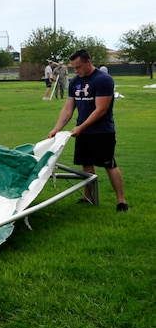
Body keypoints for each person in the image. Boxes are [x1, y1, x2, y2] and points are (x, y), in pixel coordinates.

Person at [47, 50, 129, 212]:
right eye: (74, 68)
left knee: (109, 164)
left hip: (102, 131)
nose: (76, 71)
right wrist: (57, 129)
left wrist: (81, 127)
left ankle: (121, 201)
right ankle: (88, 197)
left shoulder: (103, 80)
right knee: (86, 164)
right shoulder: (75, 82)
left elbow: (101, 109)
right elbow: (68, 108)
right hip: (83, 132)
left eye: (79, 67)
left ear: (88, 61)